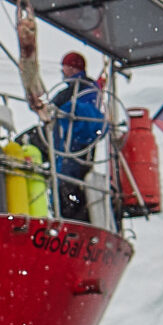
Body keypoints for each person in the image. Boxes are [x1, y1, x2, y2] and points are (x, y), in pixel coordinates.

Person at [46, 51, 106, 222]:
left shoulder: (78, 91)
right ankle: (76, 220)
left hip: (71, 149)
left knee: (67, 185)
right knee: (71, 185)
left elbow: (64, 110)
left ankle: (73, 222)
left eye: (64, 67)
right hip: (77, 149)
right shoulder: (90, 90)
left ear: (71, 68)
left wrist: (55, 111)